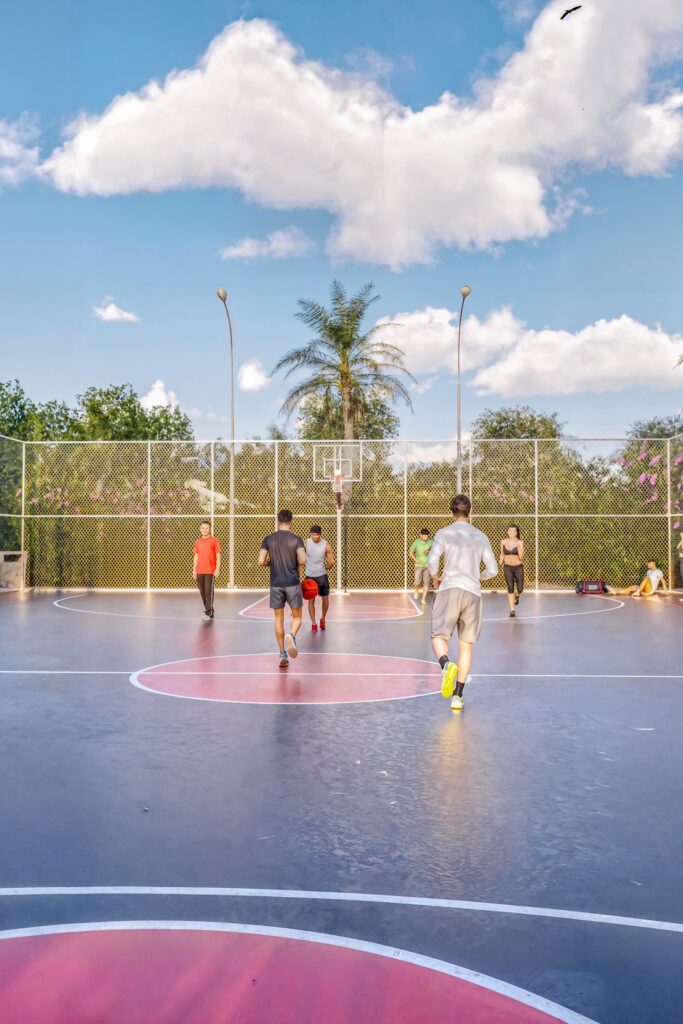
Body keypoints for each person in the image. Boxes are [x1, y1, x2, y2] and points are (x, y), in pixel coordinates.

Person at [429, 495, 498, 712]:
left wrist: (435, 576)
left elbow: (432, 560)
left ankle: (445, 664)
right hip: (472, 593)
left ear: (451, 512)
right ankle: (457, 696)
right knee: (466, 646)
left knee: (438, 636)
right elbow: (493, 569)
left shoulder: (443, 533)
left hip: (449, 589)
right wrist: (479, 576)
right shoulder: (480, 536)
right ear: (470, 511)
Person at [258, 510, 307, 667]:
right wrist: (293, 561)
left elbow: (261, 561)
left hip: (276, 584)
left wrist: (271, 563)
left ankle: (282, 654)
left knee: (278, 619)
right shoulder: (296, 539)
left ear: (278, 521)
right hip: (292, 582)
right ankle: (291, 635)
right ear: (291, 522)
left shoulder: (268, 539)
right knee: (297, 617)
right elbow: (303, 560)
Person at [305, 525, 334, 632]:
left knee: (325, 598)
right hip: (310, 576)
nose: (315, 537)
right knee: (311, 600)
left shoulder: (326, 545)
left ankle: (323, 619)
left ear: (320, 534)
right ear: (311, 534)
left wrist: (325, 568)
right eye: (313, 535)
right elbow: (300, 557)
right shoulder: (305, 543)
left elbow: (331, 562)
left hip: (322, 576)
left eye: (317, 535)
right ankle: (313, 623)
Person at [192, 520, 221, 620]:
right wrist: (194, 570)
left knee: (208, 592)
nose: (204, 530)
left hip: (210, 570)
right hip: (199, 571)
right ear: (200, 529)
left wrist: (217, 569)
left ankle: (209, 613)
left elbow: (218, 556)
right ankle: (209, 610)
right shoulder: (198, 542)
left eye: (206, 528)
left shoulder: (214, 540)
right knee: (202, 592)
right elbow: (196, 556)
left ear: (210, 529)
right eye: (203, 528)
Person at [500, 525, 524, 618]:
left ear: (516, 533)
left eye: (513, 531)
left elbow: (521, 557)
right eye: (510, 530)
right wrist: (500, 562)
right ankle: (512, 610)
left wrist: (518, 548)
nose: (511, 532)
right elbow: (502, 554)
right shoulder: (503, 542)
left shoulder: (520, 542)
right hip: (507, 567)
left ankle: (517, 596)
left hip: (518, 567)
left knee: (520, 589)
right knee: (510, 588)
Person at [409, 528, 433, 605]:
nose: (426, 536)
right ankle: (416, 591)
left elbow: (435, 551)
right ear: (421, 535)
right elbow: (411, 552)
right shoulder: (416, 542)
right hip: (418, 565)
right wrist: (415, 559)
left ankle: (423, 599)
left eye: (427, 535)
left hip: (427, 566)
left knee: (426, 583)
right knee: (417, 582)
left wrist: (429, 551)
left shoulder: (430, 542)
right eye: (424, 535)